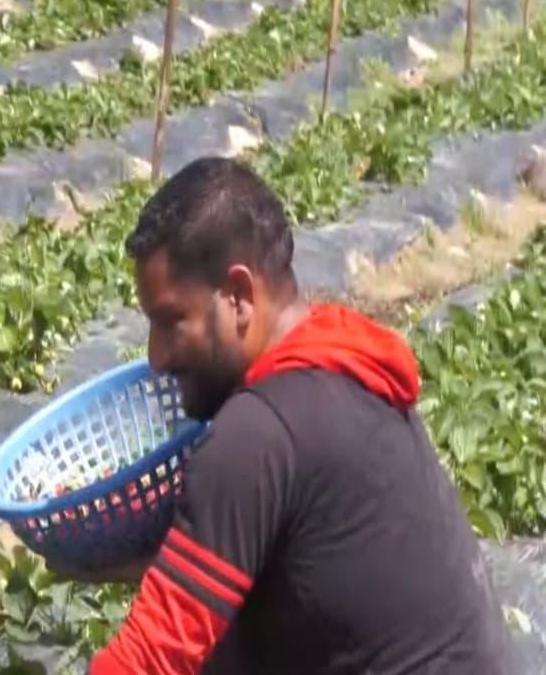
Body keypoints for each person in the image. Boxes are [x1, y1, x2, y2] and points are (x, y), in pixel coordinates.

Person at [57, 156, 511, 674]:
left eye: (170, 321)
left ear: (239, 296)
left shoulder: (260, 432)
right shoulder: (342, 366)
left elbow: (148, 660)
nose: (156, 356)